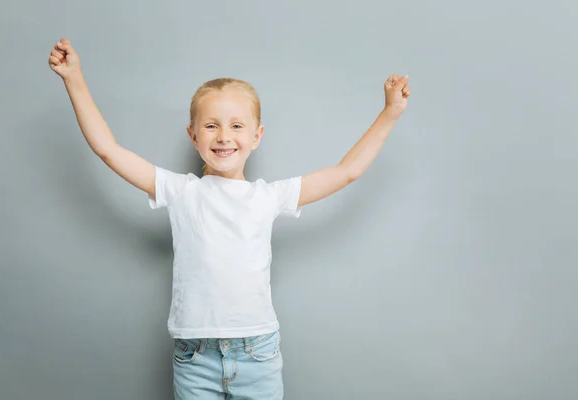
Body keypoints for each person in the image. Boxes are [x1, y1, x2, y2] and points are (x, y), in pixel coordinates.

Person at [48, 37, 411, 400]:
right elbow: (108, 151)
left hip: (258, 352)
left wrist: (389, 113)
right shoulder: (179, 190)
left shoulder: (268, 196)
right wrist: (74, 78)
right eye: (211, 126)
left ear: (257, 136)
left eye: (237, 126)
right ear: (193, 136)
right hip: (195, 358)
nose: (224, 137)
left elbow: (346, 171)